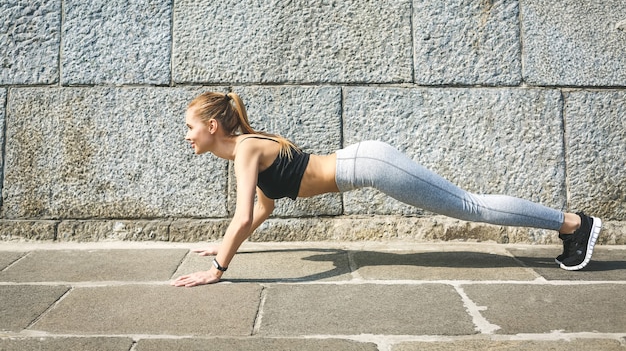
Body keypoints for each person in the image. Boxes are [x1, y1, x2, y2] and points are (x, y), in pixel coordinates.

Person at [171, 91, 602, 287]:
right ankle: (569, 226)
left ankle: (573, 224)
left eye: (190, 128)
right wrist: (223, 245)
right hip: (367, 162)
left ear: (211, 127)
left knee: (470, 206)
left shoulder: (245, 149)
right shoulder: (247, 151)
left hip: (372, 165)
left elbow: (242, 216)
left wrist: (219, 270)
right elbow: (262, 209)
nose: (187, 137)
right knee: (470, 205)